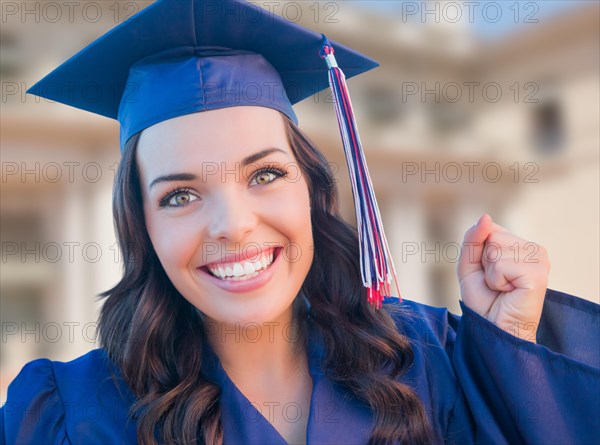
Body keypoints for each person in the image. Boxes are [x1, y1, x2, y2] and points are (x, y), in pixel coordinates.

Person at [1, 1, 599, 444]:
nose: (233, 226)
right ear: (143, 229)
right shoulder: (71, 414)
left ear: (312, 190)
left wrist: (510, 349)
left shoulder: (430, 360)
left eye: (264, 175)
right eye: (180, 195)